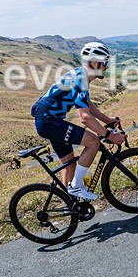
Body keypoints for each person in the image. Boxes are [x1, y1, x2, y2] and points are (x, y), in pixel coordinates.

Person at [30, 41, 125, 200]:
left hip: (47, 121)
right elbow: (85, 117)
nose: (107, 67)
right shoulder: (81, 78)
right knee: (94, 142)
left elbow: (86, 104)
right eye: (105, 63)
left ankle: (72, 205)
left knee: (69, 163)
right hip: (48, 121)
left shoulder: (80, 75)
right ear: (94, 63)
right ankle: (76, 186)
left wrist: (106, 120)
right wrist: (109, 135)